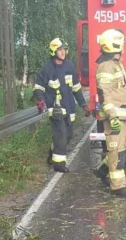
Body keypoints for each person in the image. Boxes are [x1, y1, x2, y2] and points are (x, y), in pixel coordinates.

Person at [33, 38, 88, 173]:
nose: (63, 52)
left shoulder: (69, 67)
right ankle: (59, 164)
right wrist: (40, 100)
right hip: (55, 109)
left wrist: (83, 104)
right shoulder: (47, 69)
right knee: (61, 135)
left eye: (64, 49)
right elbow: (38, 87)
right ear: (53, 51)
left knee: (68, 135)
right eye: (60, 50)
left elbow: (76, 88)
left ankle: (52, 154)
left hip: (69, 109)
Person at [94, 29, 126, 198]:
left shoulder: (115, 64)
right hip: (114, 117)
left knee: (124, 149)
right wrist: (112, 116)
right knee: (118, 152)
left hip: (121, 116)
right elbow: (104, 93)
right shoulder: (106, 66)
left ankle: (103, 171)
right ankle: (117, 187)